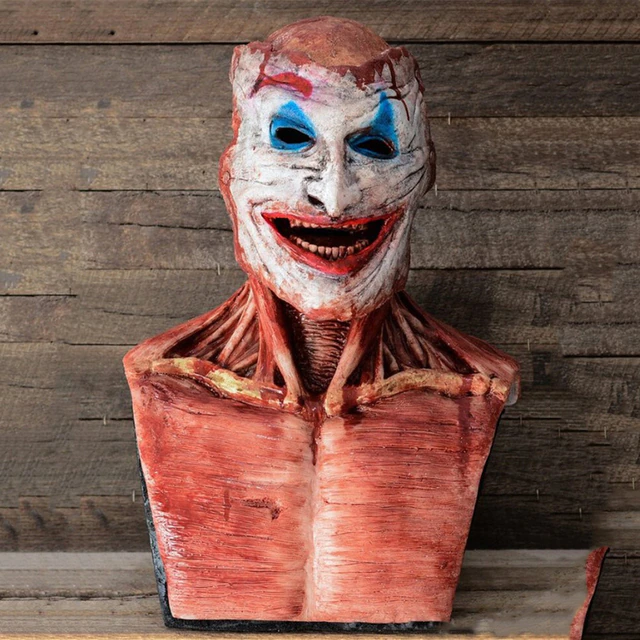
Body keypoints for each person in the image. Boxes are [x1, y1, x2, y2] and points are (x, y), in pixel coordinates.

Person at [124, 16, 521, 627]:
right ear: (232, 174)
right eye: (291, 139)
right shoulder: (167, 379)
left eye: (375, 147)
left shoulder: (474, 385)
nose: (334, 198)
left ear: (424, 175)